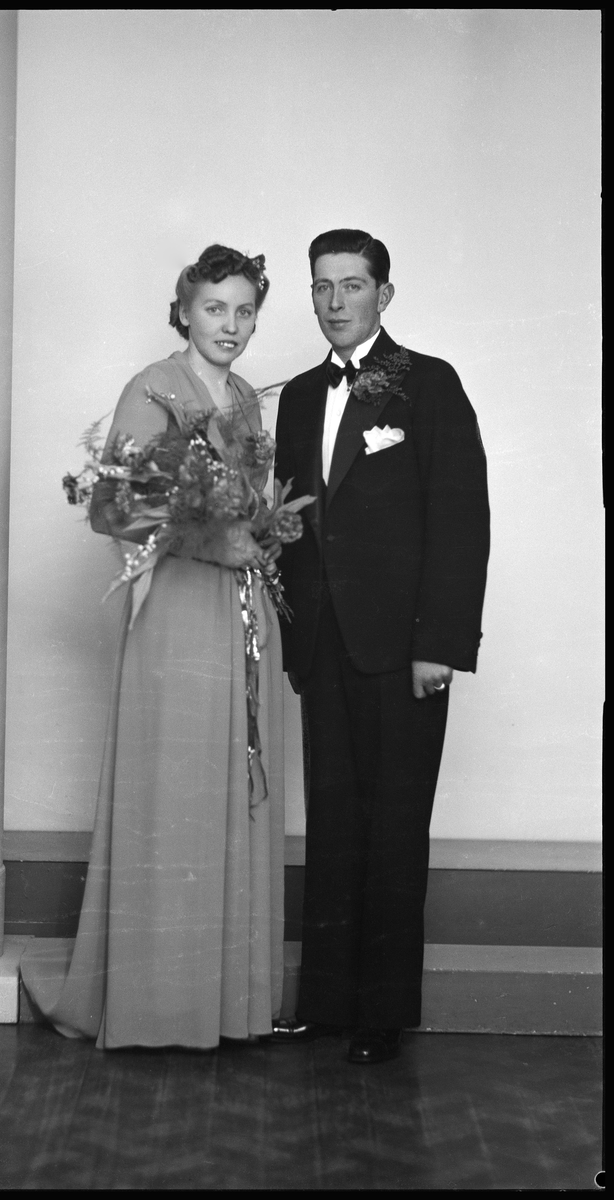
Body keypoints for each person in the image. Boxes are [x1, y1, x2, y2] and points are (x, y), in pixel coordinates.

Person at [21, 245, 286, 1049]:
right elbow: (113, 507)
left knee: (234, 782)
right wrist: (216, 541)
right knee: (177, 785)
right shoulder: (153, 388)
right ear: (184, 311)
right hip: (179, 607)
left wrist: (264, 534)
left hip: (243, 606)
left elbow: (256, 503)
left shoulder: (246, 398)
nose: (230, 325)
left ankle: (225, 1005)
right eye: (215, 308)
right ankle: (160, 1006)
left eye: (244, 310)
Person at [271, 229, 490, 1064]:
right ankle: (327, 1003)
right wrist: (288, 632)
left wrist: (440, 644)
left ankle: (382, 1014)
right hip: (322, 645)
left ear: (383, 295)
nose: (334, 302)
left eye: (352, 285)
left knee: (394, 826)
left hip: (404, 650)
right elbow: (292, 523)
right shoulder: (298, 396)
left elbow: (461, 521)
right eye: (322, 287)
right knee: (332, 823)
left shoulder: (428, 384)